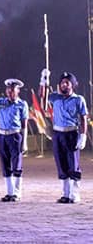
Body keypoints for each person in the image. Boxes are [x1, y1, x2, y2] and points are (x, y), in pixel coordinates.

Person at [39, 69, 88, 203]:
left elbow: (83, 118)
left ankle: (75, 194)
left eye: (67, 83)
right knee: (61, 164)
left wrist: (82, 135)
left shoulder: (79, 99)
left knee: (73, 164)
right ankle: (66, 194)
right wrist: (43, 80)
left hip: (71, 133)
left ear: (72, 85)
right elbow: (42, 97)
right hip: (58, 134)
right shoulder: (55, 97)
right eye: (62, 83)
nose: (64, 85)